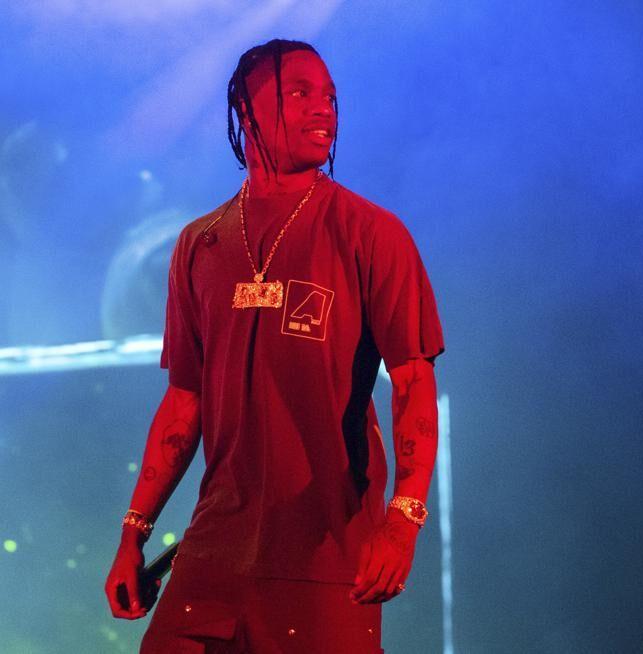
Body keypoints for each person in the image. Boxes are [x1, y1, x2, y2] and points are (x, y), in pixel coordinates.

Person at [103, 38, 444, 653]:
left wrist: (404, 520)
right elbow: (184, 403)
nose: (324, 110)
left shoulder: (373, 234)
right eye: (301, 93)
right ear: (245, 107)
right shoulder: (197, 244)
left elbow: (415, 384)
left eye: (331, 97)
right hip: (212, 553)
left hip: (326, 552)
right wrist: (134, 533)